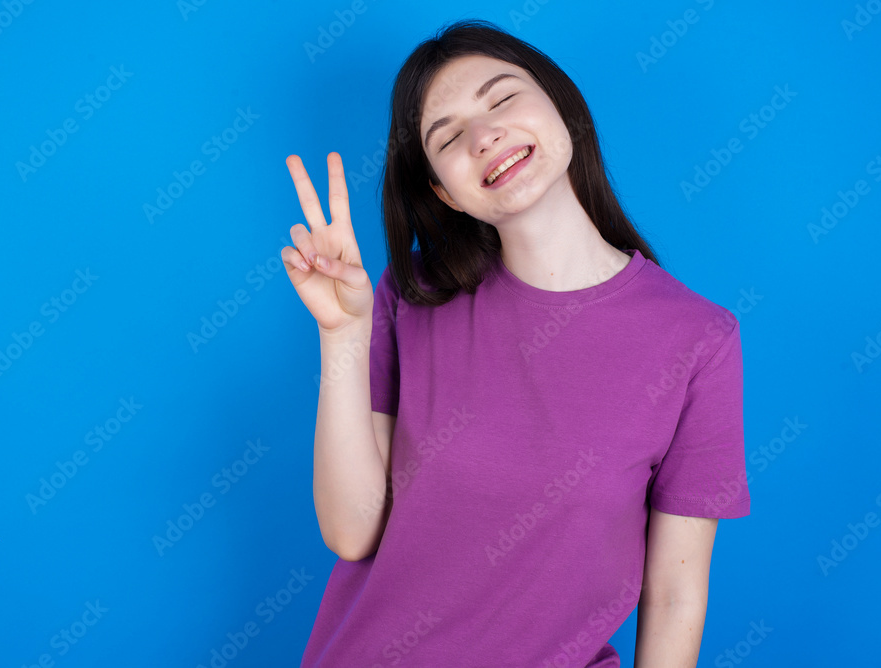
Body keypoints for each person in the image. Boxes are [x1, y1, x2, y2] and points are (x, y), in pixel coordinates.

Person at [280, 18, 750, 668]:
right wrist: (342, 336)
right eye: (447, 137)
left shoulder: (698, 338)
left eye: (502, 99)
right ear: (445, 191)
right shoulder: (410, 294)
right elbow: (351, 531)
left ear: (561, 105)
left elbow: (674, 596)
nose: (484, 136)